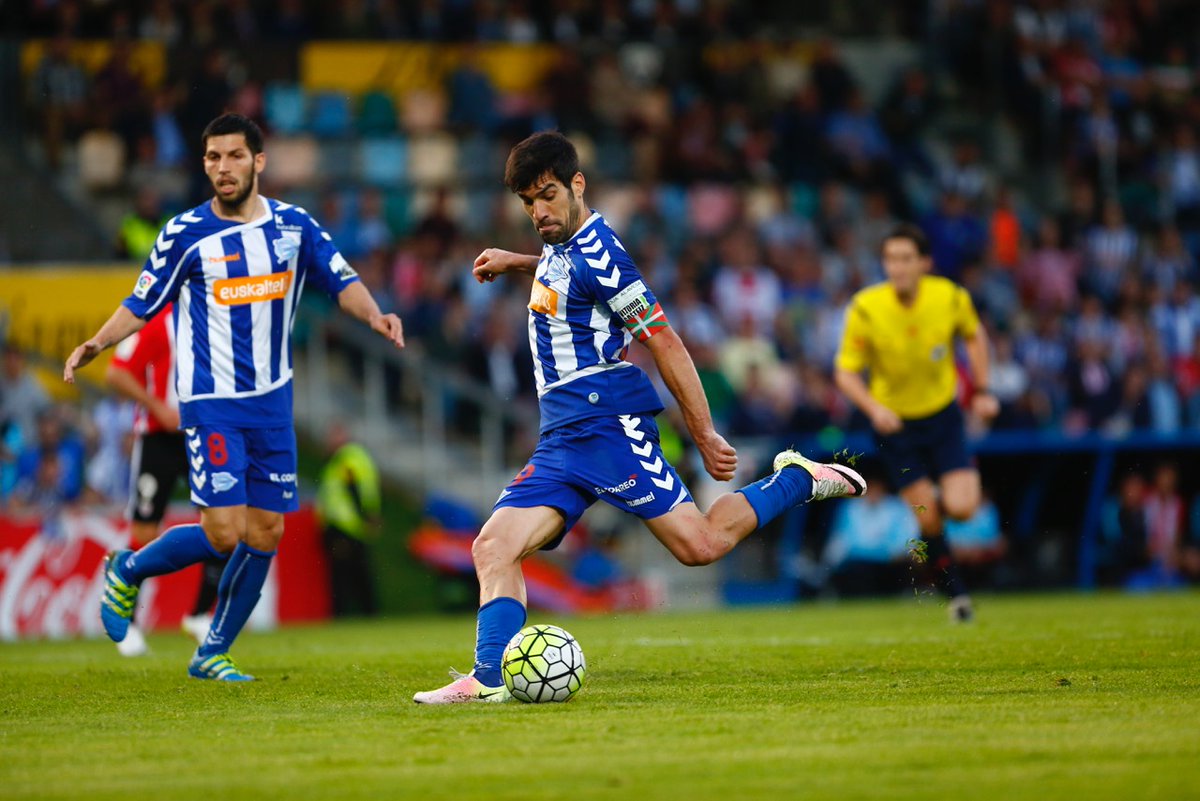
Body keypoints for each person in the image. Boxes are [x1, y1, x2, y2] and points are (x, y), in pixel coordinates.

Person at [413, 131, 866, 704]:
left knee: (699, 546)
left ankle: (797, 478)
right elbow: (565, 276)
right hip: (561, 437)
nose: (538, 212)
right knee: (492, 547)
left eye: (548, 195)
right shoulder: (562, 246)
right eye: (528, 203)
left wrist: (702, 432)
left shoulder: (605, 257)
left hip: (608, 424)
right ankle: (486, 679)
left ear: (577, 184)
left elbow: (666, 342)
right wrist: (519, 262)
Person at [64, 113, 405, 681]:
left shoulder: (295, 227)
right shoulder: (184, 233)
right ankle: (128, 569)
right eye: (213, 158)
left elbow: (340, 279)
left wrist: (375, 316)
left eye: (234, 156)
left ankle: (212, 651)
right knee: (225, 533)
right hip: (211, 401)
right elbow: (142, 300)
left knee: (268, 530)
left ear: (258, 162)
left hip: (272, 402)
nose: (223, 168)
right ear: (204, 164)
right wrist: (98, 341)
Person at [834, 224, 998, 622]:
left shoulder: (949, 297)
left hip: (943, 417)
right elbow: (845, 372)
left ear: (925, 263)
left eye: (907, 258)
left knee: (962, 508)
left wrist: (982, 388)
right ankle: (958, 596)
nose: (898, 267)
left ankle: (935, 502)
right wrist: (874, 409)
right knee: (926, 516)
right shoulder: (866, 307)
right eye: (891, 259)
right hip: (895, 426)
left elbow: (974, 337)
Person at [105, 301, 223, 656]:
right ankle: (127, 622)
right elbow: (116, 374)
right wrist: (157, 407)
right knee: (144, 530)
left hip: (202, 435)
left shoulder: (218, 319)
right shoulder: (158, 324)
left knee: (223, 521)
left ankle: (200, 614)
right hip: (158, 438)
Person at [315, 423, 382, 617]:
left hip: (345, 525)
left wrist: (368, 515)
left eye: (333, 437)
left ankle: (345, 614)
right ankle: (368, 613)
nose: (329, 442)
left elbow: (356, 489)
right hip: (348, 524)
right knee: (357, 572)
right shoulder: (348, 458)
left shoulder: (346, 459)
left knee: (345, 575)